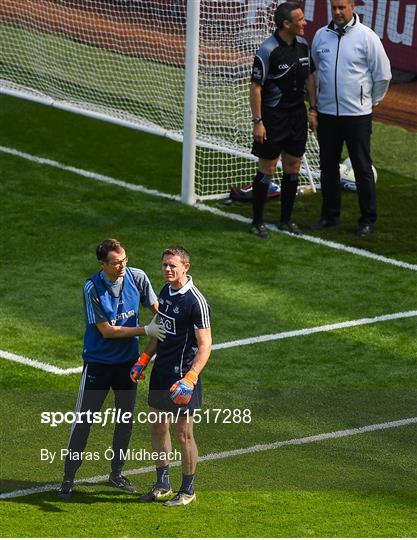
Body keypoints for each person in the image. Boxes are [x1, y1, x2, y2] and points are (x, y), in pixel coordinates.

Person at [58, 238, 166, 499]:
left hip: (127, 365)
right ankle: (68, 477)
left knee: (125, 420)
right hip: (98, 363)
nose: (122, 266)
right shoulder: (92, 287)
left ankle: (116, 473)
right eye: (116, 262)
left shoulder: (137, 277)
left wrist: (153, 343)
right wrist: (145, 330)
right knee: (84, 420)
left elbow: (158, 310)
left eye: (125, 260)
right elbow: (106, 331)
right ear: (102, 264)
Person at [130, 246, 211, 506]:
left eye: (172, 265)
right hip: (161, 372)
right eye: (164, 264)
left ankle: (187, 490)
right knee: (157, 427)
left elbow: (205, 345)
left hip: (183, 378)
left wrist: (190, 378)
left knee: (183, 434)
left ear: (185, 267)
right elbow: (160, 331)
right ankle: (162, 484)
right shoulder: (166, 291)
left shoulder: (195, 301)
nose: (167, 269)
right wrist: (144, 359)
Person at [311, 0, 391, 237]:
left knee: (362, 167)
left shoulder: (367, 37)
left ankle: (367, 220)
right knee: (328, 167)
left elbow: (383, 75)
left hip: (357, 116)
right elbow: (315, 71)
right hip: (327, 115)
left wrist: (368, 102)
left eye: (342, 7)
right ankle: (329, 216)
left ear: (352, 7)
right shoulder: (320, 36)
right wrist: (316, 107)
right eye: (334, 7)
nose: (337, 12)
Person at [250, 1, 318, 238]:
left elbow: (309, 78)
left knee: (293, 166)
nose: (305, 23)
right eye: (300, 19)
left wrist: (313, 109)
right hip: (273, 117)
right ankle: (257, 221)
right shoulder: (267, 50)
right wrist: (258, 121)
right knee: (267, 168)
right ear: (286, 24)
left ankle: (285, 220)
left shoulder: (302, 45)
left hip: (297, 115)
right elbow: (256, 87)